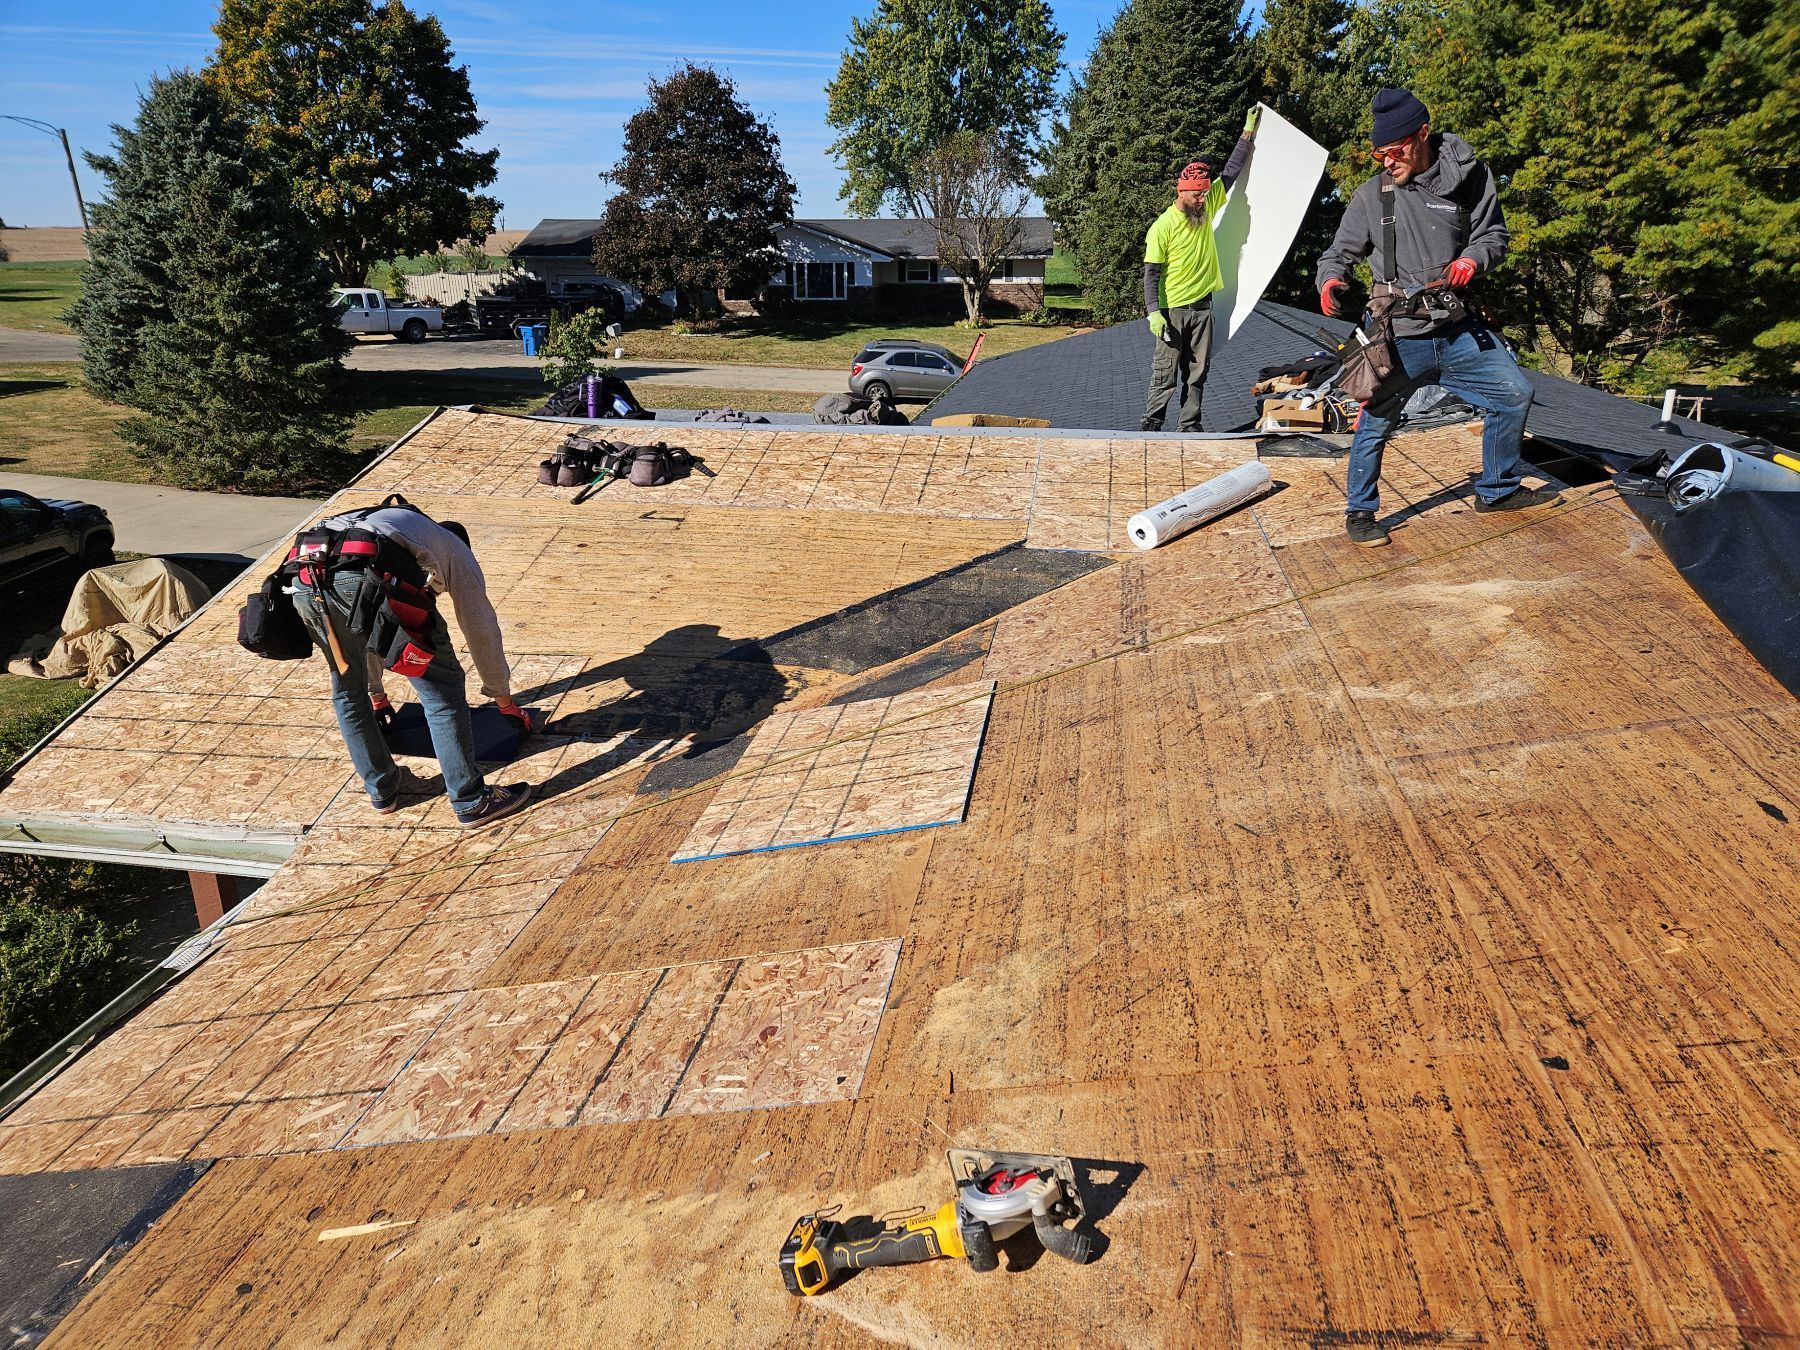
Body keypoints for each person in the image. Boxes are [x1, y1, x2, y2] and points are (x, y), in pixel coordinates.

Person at [1317, 87, 1559, 547]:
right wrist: (1330, 281)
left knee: (1513, 395)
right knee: (1375, 420)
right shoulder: (1373, 197)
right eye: (1378, 154)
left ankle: (1497, 491)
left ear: (1422, 134)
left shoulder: (1470, 178)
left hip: (1457, 329)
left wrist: (1474, 260)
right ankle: (1361, 512)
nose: (1387, 162)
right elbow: (1337, 254)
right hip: (1399, 335)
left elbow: (1493, 234)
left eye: (1395, 151)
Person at [291, 504, 534, 825]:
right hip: (363, 574)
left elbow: (361, 624)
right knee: (441, 692)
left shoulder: (393, 526)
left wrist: (377, 696)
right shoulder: (455, 550)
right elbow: (480, 628)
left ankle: (382, 789)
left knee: (347, 689)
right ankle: (471, 799)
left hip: (304, 579)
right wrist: (504, 700)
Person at [1142, 108, 1259, 433]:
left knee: (1197, 373)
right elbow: (1151, 275)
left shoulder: (1206, 207)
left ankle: (1189, 426)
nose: (1202, 200)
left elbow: (1232, 172)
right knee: (1165, 374)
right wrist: (1155, 313)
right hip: (1172, 312)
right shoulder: (1162, 227)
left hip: (1203, 309)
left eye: (1205, 193)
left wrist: (1247, 133)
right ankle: (1151, 426)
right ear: (1180, 191)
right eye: (1196, 194)